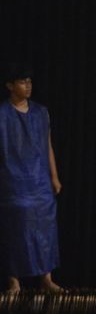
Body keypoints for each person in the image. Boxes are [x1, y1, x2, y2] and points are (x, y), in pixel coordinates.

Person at [0, 65, 62, 293]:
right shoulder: (3, 114)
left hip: (40, 180)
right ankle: (14, 279)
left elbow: (47, 146)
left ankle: (46, 277)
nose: (27, 86)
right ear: (9, 85)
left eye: (30, 82)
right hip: (12, 181)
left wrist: (54, 176)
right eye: (22, 82)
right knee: (15, 228)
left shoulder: (40, 112)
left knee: (45, 227)